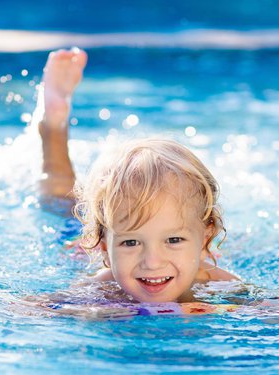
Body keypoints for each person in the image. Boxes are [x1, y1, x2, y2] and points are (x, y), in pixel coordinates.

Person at [34, 47, 239, 307]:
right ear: (105, 249)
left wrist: (218, 310)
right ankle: (52, 127)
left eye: (174, 240)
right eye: (130, 242)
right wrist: (92, 314)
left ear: (206, 239)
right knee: (61, 201)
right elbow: (28, 310)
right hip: (80, 244)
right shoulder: (101, 288)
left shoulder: (218, 284)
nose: (152, 262)